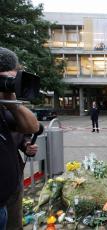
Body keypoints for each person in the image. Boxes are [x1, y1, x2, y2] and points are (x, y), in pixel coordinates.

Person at [0, 47, 39, 229]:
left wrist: (12, 103)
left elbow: (32, 126)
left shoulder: (5, 106)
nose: (9, 82)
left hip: (11, 191)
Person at [6, 132, 38, 230]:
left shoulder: (11, 116)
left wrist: (27, 144)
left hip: (12, 179)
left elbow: (23, 133)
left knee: (14, 223)